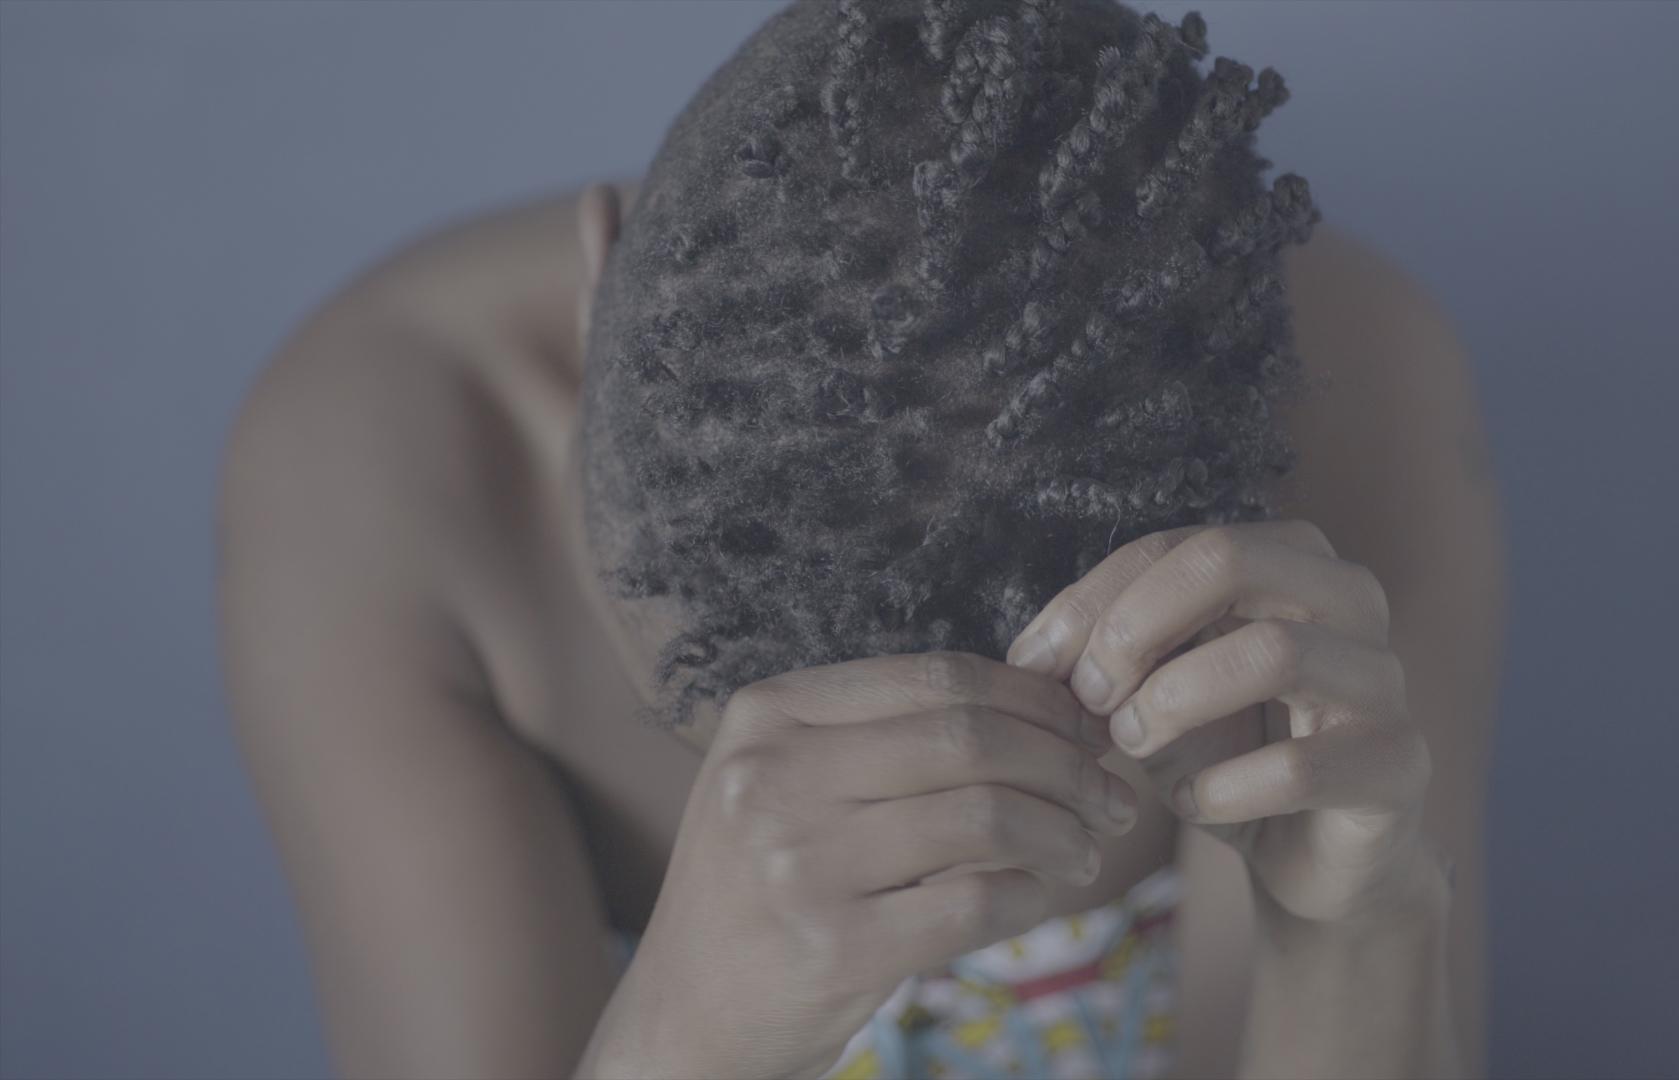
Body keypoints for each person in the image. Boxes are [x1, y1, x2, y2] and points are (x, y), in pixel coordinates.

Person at [217, 1, 1507, 1077]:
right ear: (595, 291)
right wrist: (688, 1035)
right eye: (727, 730)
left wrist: (1355, 932)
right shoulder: (386, 474)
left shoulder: (1330, 427)